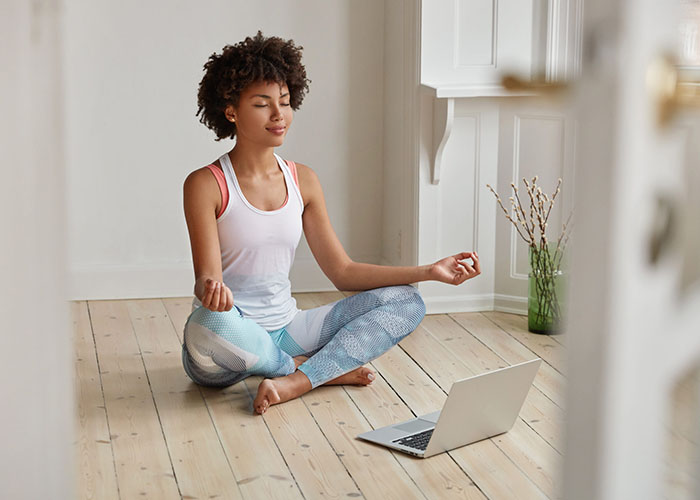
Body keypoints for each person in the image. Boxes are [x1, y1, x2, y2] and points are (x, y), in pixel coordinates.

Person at [182, 31, 481, 415]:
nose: (279, 115)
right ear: (231, 111)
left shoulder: (302, 180)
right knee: (207, 323)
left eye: (286, 103)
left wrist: (429, 271)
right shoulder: (205, 184)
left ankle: (295, 380)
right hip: (227, 341)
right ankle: (316, 370)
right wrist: (210, 289)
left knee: (408, 301)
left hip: (287, 329)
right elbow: (206, 277)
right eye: (262, 104)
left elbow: (343, 272)